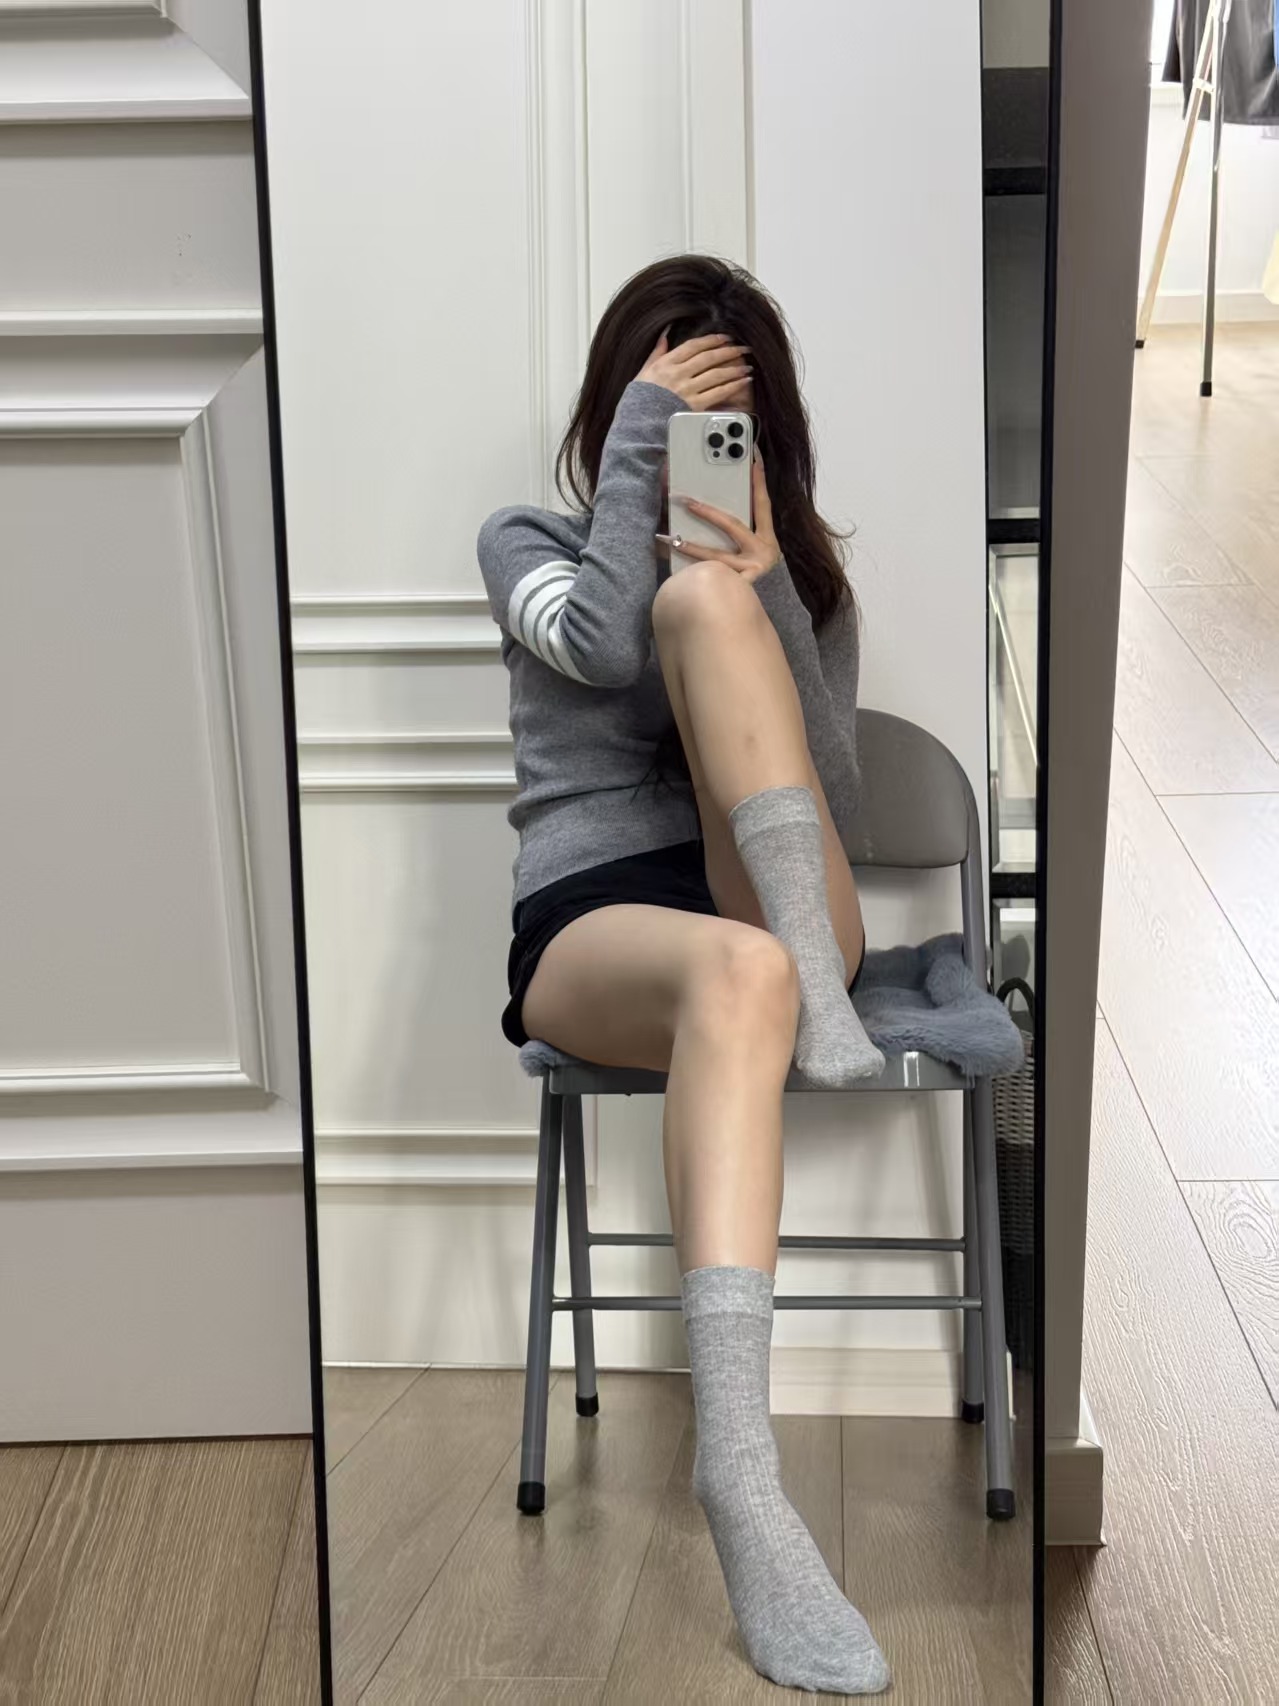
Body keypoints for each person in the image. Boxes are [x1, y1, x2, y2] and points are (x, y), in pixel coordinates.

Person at [477, 255, 890, 1696]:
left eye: (722, 412)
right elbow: (598, 644)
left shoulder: (802, 586)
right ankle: (743, 1475)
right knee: (740, 969)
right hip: (601, 918)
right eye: (666, 399)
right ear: (618, 405)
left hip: (781, 897)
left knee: (710, 612)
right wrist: (645, 476)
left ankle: (809, 984)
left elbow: (843, 802)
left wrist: (770, 599)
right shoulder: (526, 541)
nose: (690, 430)